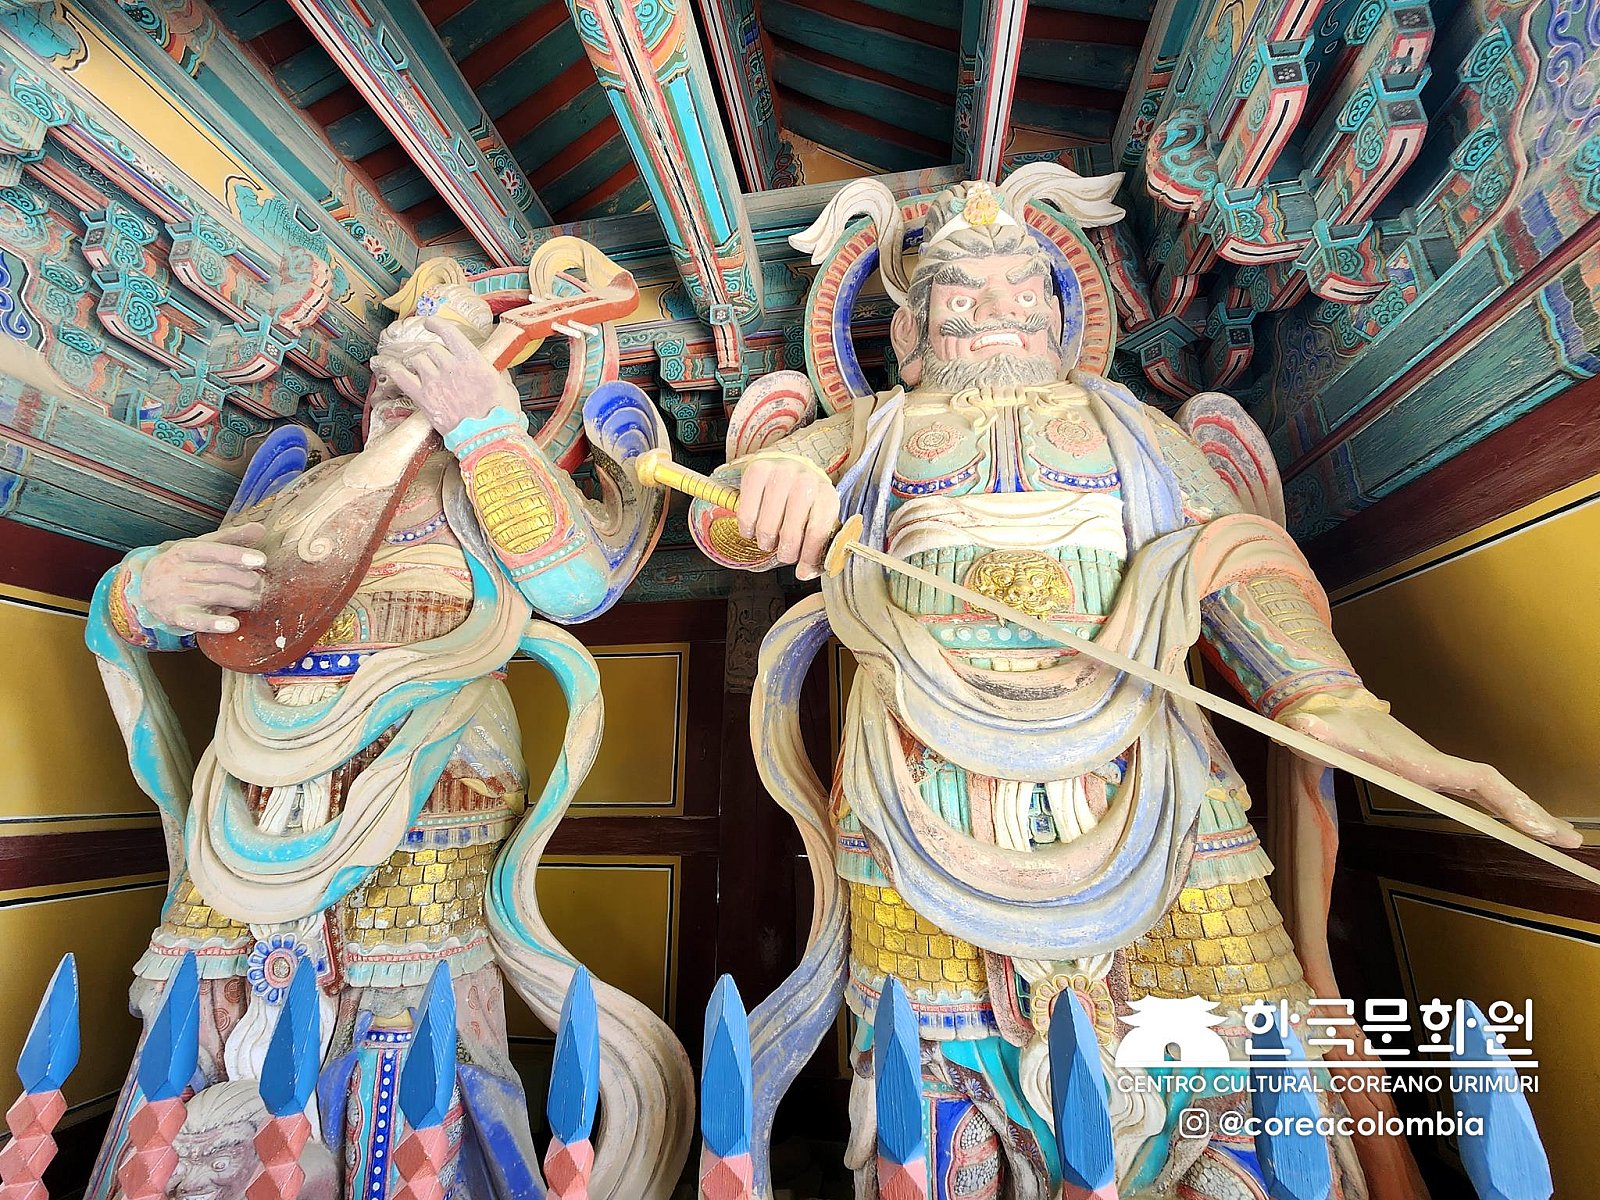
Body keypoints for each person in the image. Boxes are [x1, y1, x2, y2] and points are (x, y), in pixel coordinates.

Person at [687, 177, 1578, 1200]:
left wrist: (1328, 699)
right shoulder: (877, 430)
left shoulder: (1131, 427)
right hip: (923, 776)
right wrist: (783, 481)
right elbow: (721, 520)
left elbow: (1230, 559)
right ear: (914, 331)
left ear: (1063, 318)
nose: (998, 306)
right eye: (962, 292)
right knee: (928, 1069)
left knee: (1243, 1045)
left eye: (1024, 288)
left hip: (1145, 768)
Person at [86, 254, 691, 1200]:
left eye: (434, 364)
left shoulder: (484, 480)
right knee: (198, 994)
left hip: (427, 776)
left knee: (407, 1008)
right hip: (253, 789)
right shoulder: (303, 496)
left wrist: (485, 427)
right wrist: (138, 588)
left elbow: (577, 586)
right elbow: (206, 605)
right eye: (390, 372)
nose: (402, 389)